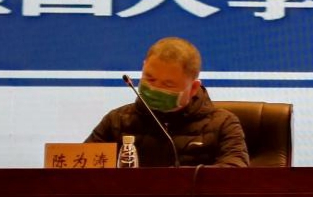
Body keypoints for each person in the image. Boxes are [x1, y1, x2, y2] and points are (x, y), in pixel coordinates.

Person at [88, 37, 249, 167]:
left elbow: (235, 175)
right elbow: (81, 167)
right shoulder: (117, 121)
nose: (154, 88)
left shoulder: (223, 124)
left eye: (168, 84)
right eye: (150, 79)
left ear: (193, 88)